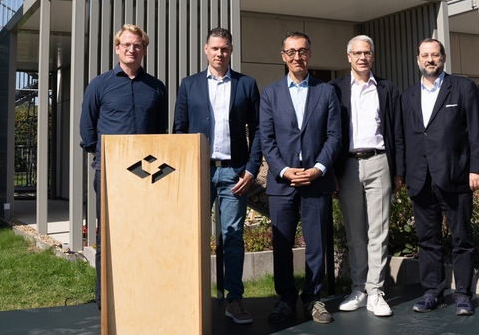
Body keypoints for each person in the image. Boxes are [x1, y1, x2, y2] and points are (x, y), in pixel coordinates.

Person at [172, 27, 262, 325]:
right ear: (205, 50)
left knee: (233, 237)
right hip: (199, 172)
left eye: (224, 48)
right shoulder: (189, 85)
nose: (219, 53)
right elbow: (179, 130)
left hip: (234, 173)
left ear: (231, 50)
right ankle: (189, 297)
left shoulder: (246, 84)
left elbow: (259, 130)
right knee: (191, 235)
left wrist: (251, 168)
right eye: (215, 48)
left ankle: (234, 300)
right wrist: (186, 170)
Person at [79, 24, 168, 309]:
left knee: (144, 233)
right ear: (117, 48)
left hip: (146, 174)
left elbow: (161, 132)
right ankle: (105, 300)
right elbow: (87, 129)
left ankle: (140, 294)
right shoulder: (99, 85)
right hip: (109, 174)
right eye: (126, 45)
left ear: (144, 50)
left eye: (137, 45)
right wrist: (105, 158)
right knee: (108, 236)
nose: (132, 49)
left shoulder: (156, 87)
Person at [400, 38, 479, 316]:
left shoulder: (463, 88)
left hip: (456, 176)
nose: (430, 60)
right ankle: (432, 292)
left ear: (444, 57)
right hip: (420, 179)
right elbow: (403, 138)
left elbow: (478, 130)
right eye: (425, 55)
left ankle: (462, 295)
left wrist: (477, 168)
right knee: (428, 240)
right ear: (418, 59)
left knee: (462, 239)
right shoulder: (408, 95)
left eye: (435, 55)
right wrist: (402, 174)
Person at [259, 31, 342, 325]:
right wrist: (283, 170)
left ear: (310, 54)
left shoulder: (326, 91)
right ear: (283, 56)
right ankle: (285, 299)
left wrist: (318, 168)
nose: (297, 57)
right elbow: (266, 139)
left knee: (316, 243)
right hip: (282, 182)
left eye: (302, 51)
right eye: (291, 52)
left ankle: (313, 298)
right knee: (282, 244)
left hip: (316, 181)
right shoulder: (270, 93)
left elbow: (334, 136)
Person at [331, 35, 404, 318]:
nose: (362, 58)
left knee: (378, 231)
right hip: (348, 166)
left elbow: (396, 131)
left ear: (372, 56)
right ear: (348, 57)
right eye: (357, 53)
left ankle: (376, 292)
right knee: (355, 234)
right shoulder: (335, 89)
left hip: (379, 162)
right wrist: (331, 171)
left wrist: (398, 171)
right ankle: (359, 290)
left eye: (367, 53)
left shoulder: (386, 88)